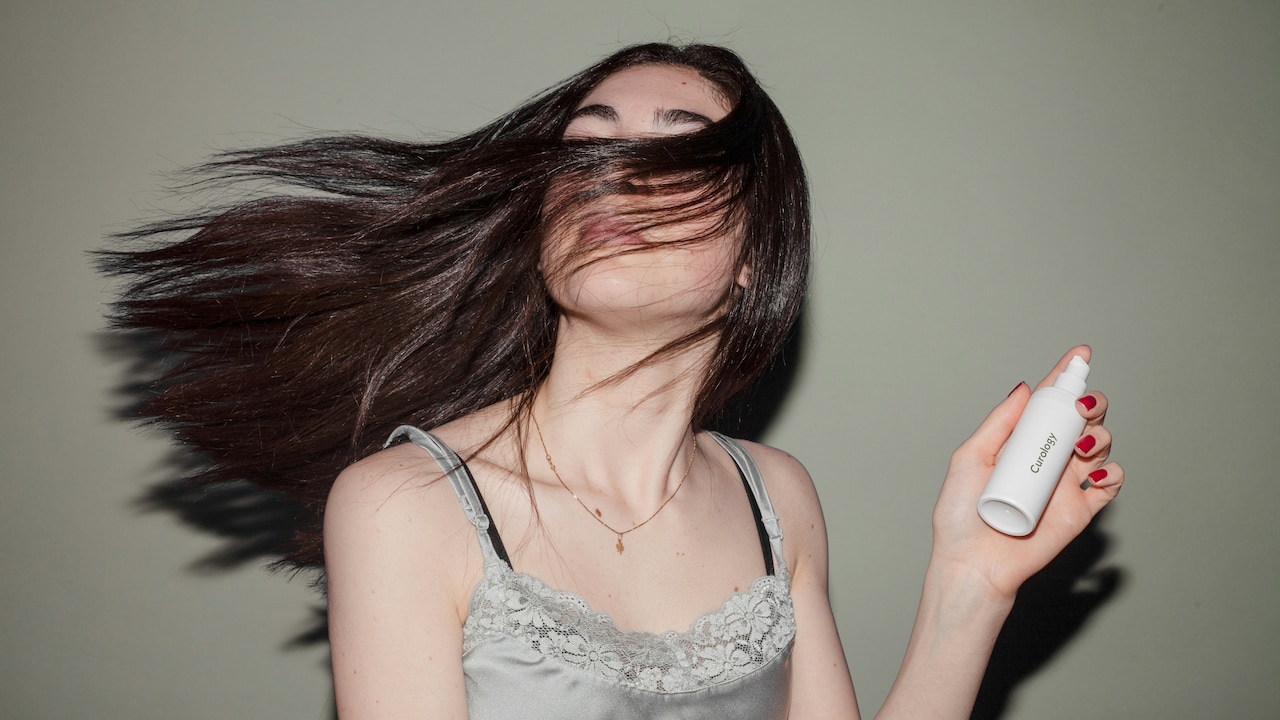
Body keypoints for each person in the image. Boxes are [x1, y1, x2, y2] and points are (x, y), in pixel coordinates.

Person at [102, 43, 1123, 719]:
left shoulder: (777, 497)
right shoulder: (403, 504)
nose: (613, 176)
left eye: (674, 153)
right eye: (586, 148)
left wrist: (970, 583)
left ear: (754, 255)